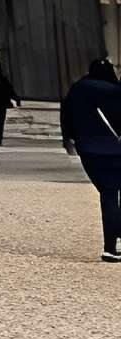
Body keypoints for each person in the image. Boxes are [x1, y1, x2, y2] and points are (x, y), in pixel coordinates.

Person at [62, 56, 121, 265]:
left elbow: (66, 115)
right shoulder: (116, 91)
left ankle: (110, 247)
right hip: (116, 149)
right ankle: (112, 242)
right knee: (111, 195)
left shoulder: (78, 89)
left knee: (107, 193)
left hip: (89, 150)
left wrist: (67, 140)